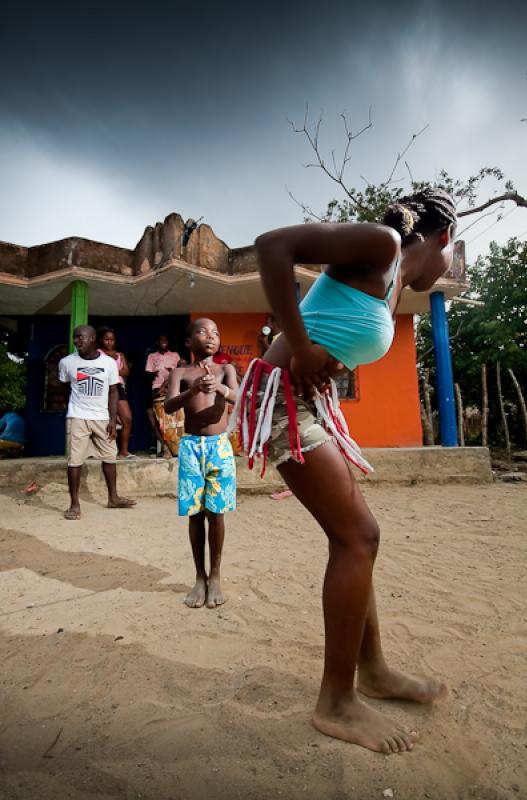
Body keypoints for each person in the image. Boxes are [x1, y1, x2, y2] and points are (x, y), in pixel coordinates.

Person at [230, 188, 457, 754]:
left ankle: (374, 671)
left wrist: (317, 356)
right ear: (443, 240)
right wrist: (303, 348)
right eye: (454, 251)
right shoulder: (382, 247)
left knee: (357, 537)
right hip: (279, 398)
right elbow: (273, 246)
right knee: (358, 536)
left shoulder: (392, 280)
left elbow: (334, 330)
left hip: (305, 399)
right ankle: (336, 701)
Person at [165, 318, 239, 609]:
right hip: (191, 446)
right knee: (195, 513)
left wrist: (220, 390)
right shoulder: (180, 372)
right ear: (187, 342)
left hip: (219, 447)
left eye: (216, 333)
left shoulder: (226, 370)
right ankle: (199, 576)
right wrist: (193, 390)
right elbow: (169, 406)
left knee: (216, 513)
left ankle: (216, 575)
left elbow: (240, 398)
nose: (210, 336)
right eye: (202, 331)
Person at [59, 325, 136, 520]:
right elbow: (63, 386)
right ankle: (74, 505)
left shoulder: (109, 363)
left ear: (93, 338)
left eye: (80, 338)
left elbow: (113, 391)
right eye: (74, 338)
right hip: (78, 416)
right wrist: (69, 408)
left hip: (102, 418)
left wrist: (112, 419)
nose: (76, 341)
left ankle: (113, 498)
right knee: (75, 460)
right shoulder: (67, 362)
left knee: (110, 456)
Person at [97, 326, 135, 458]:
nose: (109, 342)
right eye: (106, 339)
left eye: (112, 340)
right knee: (102, 421)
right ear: (101, 340)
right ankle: (101, 451)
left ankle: (123, 451)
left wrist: (111, 370)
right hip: (102, 387)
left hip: (118, 387)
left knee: (127, 418)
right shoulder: (97, 353)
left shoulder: (119, 355)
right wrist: (114, 369)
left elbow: (126, 372)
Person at [145, 335, 181, 457]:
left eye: (166, 340)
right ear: (157, 343)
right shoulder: (152, 356)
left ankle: (175, 447)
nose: (163, 343)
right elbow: (147, 374)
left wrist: (172, 373)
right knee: (156, 420)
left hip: (172, 389)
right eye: (161, 341)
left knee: (173, 420)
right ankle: (164, 447)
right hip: (156, 389)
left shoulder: (175, 355)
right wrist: (154, 373)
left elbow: (181, 372)